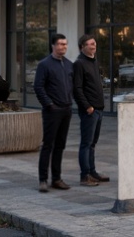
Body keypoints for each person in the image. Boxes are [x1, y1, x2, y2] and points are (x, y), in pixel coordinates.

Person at [33, 33, 74, 193]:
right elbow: (38, 87)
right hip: (52, 111)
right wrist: (49, 104)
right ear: (53, 46)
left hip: (66, 109)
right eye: (60, 44)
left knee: (60, 146)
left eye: (65, 44)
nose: (63, 47)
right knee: (48, 145)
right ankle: (43, 180)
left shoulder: (69, 64)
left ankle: (56, 178)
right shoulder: (45, 64)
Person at [71, 34, 110, 187]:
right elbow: (77, 89)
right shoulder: (79, 64)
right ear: (82, 47)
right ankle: (84, 176)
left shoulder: (93, 62)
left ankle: (92, 172)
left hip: (99, 109)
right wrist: (87, 106)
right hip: (90, 111)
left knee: (92, 143)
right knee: (86, 144)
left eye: (94, 43)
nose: (93, 46)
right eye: (90, 44)